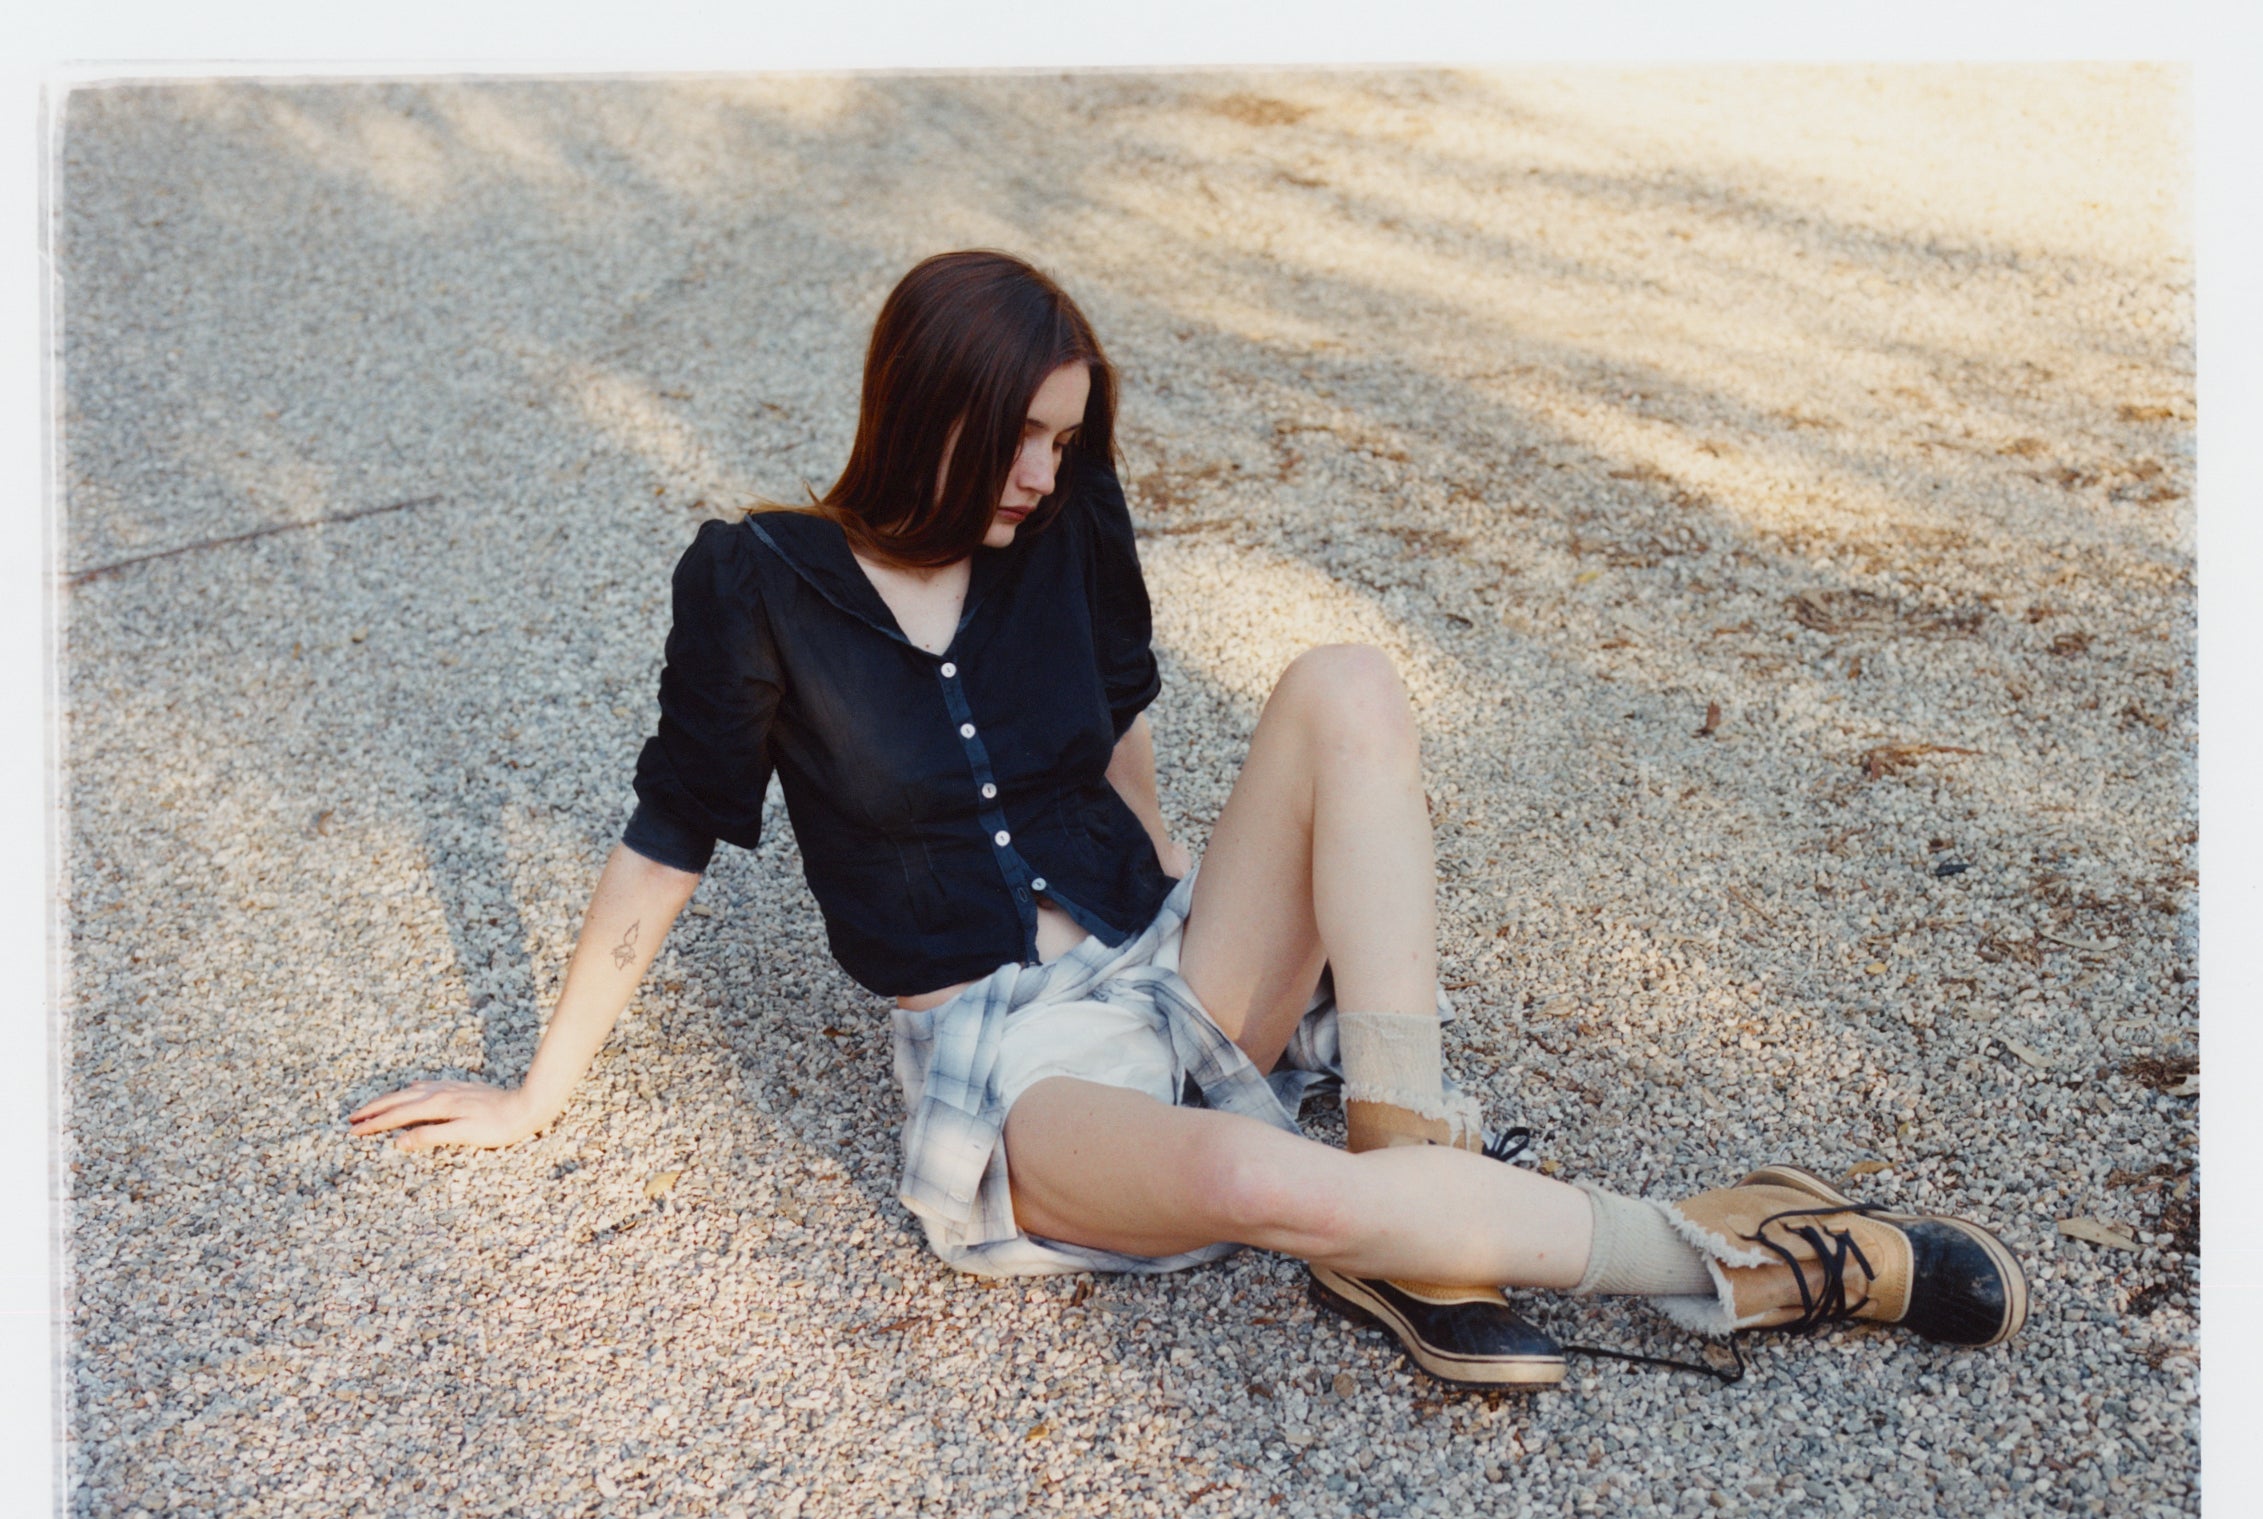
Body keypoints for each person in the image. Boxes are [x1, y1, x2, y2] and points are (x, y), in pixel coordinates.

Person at [351, 250, 2028, 1388]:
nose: (1040, 475)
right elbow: (669, 836)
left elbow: (1125, 734)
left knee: (1347, 680)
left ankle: (1404, 1160)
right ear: (921, 406)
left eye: (1062, 440)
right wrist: (536, 1090)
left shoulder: (1066, 524)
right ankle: (1753, 1260)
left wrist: (1203, 924)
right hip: (1017, 1067)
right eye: (1018, 438)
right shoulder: (757, 582)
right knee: (1246, 1170)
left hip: (1163, 960)